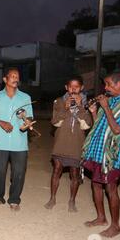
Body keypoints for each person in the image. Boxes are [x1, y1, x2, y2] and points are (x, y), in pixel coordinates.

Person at [82, 70, 120, 238]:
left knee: (110, 188)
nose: (105, 88)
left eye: (109, 84)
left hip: (114, 155)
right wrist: (94, 112)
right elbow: (99, 126)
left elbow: (115, 129)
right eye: (105, 84)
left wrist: (105, 107)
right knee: (96, 184)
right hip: (99, 152)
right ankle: (101, 218)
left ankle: (116, 226)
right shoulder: (113, 100)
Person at [0, 68, 35, 211]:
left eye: (17, 77)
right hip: (0, 142)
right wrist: (2, 123)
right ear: (5, 79)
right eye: (12, 76)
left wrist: (27, 123)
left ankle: (14, 200)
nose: (15, 79)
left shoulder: (25, 97)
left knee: (18, 172)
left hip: (19, 142)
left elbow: (29, 116)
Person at [44, 76, 92, 212]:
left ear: (81, 88)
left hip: (76, 143)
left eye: (77, 86)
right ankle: (52, 198)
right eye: (71, 86)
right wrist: (65, 109)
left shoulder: (87, 103)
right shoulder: (59, 101)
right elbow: (55, 122)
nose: (74, 89)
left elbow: (86, 125)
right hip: (61, 142)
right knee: (56, 171)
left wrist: (81, 107)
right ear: (66, 87)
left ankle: (72, 200)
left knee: (74, 173)